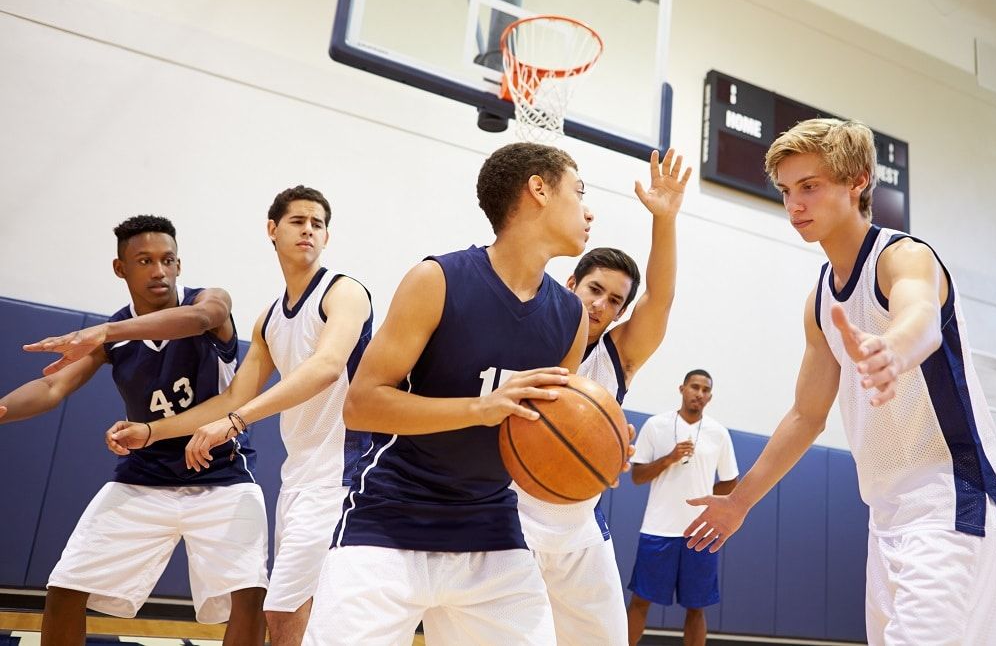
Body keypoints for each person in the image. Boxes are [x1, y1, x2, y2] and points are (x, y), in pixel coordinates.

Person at [684, 118, 996, 645]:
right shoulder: (821, 299)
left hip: (951, 498)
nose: (795, 205)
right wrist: (739, 501)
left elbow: (919, 316)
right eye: (786, 191)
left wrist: (891, 350)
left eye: (810, 187)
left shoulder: (903, 256)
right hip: (885, 514)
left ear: (857, 182)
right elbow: (807, 415)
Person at [301, 141, 613, 646]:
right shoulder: (437, 279)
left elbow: (549, 431)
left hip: (492, 528)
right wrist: (480, 408)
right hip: (391, 518)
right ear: (538, 189)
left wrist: (598, 442)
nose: (589, 208)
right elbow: (361, 404)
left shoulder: (571, 316)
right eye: (578, 192)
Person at [108, 187, 373, 646]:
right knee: (302, 613)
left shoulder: (343, 292)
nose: (308, 229)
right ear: (272, 230)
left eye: (317, 223)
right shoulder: (269, 319)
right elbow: (232, 396)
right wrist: (151, 431)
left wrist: (236, 423)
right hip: (302, 478)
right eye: (297, 221)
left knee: (287, 607)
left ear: (327, 237)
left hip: (350, 473)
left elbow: (326, 367)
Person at [0, 215, 267, 646]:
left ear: (180, 265)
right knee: (66, 586)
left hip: (223, 475)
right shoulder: (112, 337)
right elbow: (52, 386)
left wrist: (107, 331)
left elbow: (199, 318)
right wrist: (3, 408)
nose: (159, 270)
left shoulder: (210, 301)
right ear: (120, 268)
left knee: (248, 594)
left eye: (168, 259)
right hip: (145, 477)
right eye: (145, 260)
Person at [516, 148, 691, 645]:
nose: (601, 304)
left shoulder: (620, 356)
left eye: (615, 300)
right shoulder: (528, 328)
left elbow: (660, 298)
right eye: (594, 289)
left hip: (579, 529)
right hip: (514, 520)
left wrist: (665, 220)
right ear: (570, 283)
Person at [626, 370, 738, 646]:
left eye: (705, 390)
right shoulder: (656, 425)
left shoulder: (719, 434)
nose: (699, 393)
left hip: (700, 533)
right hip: (658, 529)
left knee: (696, 607)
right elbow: (638, 476)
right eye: (694, 387)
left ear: (709, 397)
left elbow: (730, 481)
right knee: (640, 601)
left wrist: (708, 505)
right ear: (682, 388)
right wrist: (670, 458)